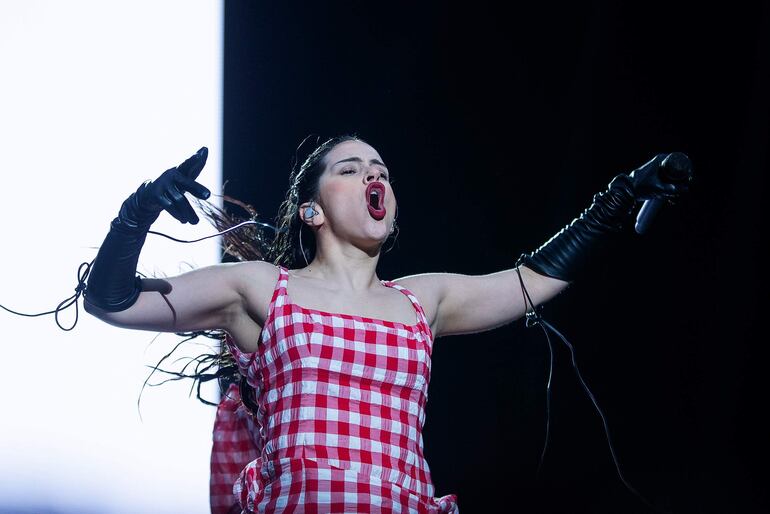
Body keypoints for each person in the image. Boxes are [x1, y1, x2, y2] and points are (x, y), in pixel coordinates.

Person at [83, 136, 691, 513]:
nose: (375, 176)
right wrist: (136, 215)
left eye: (381, 170)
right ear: (311, 209)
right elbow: (111, 302)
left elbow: (529, 282)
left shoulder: (420, 300)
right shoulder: (263, 288)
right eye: (350, 169)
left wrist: (613, 201)